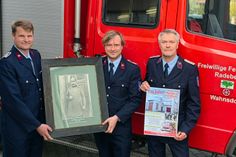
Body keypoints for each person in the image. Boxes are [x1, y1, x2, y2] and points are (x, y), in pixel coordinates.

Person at [140, 29, 200, 157]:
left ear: (177, 44)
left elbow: (194, 103)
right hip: (155, 127)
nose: (167, 45)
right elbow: (147, 83)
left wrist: (185, 129)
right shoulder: (152, 63)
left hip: (177, 129)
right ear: (159, 44)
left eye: (171, 42)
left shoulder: (189, 69)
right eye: (164, 42)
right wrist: (143, 85)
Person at [0, 19, 53, 157]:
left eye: (29, 36)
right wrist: (37, 125)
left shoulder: (36, 55)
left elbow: (42, 86)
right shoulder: (7, 63)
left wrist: (56, 70)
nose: (26, 39)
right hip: (17, 129)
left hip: (37, 124)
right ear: (13, 36)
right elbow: (13, 101)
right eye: (21, 36)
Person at [94, 30, 142, 157]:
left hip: (121, 127)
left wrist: (117, 117)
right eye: (109, 45)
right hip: (101, 124)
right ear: (104, 46)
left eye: (116, 45)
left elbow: (135, 100)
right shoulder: (96, 65)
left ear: (122, 46)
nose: (113, 48)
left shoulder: (132, 69)